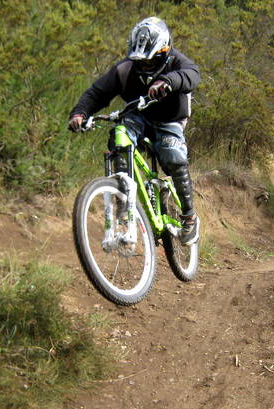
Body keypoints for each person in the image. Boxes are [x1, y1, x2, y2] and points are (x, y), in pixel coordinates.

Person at [68, 17, 200, 245]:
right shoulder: (124, 69)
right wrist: (80, 113)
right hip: (137, 116)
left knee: (172, 155)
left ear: (164, 51)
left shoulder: (178, 62)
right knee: (119, 135)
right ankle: (123, 200)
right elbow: (97, 93)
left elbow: (192, 75)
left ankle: (189, 217)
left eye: (151, 61)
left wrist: (168, 81)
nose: (145, 66)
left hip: (171, 119)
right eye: (141, 62)